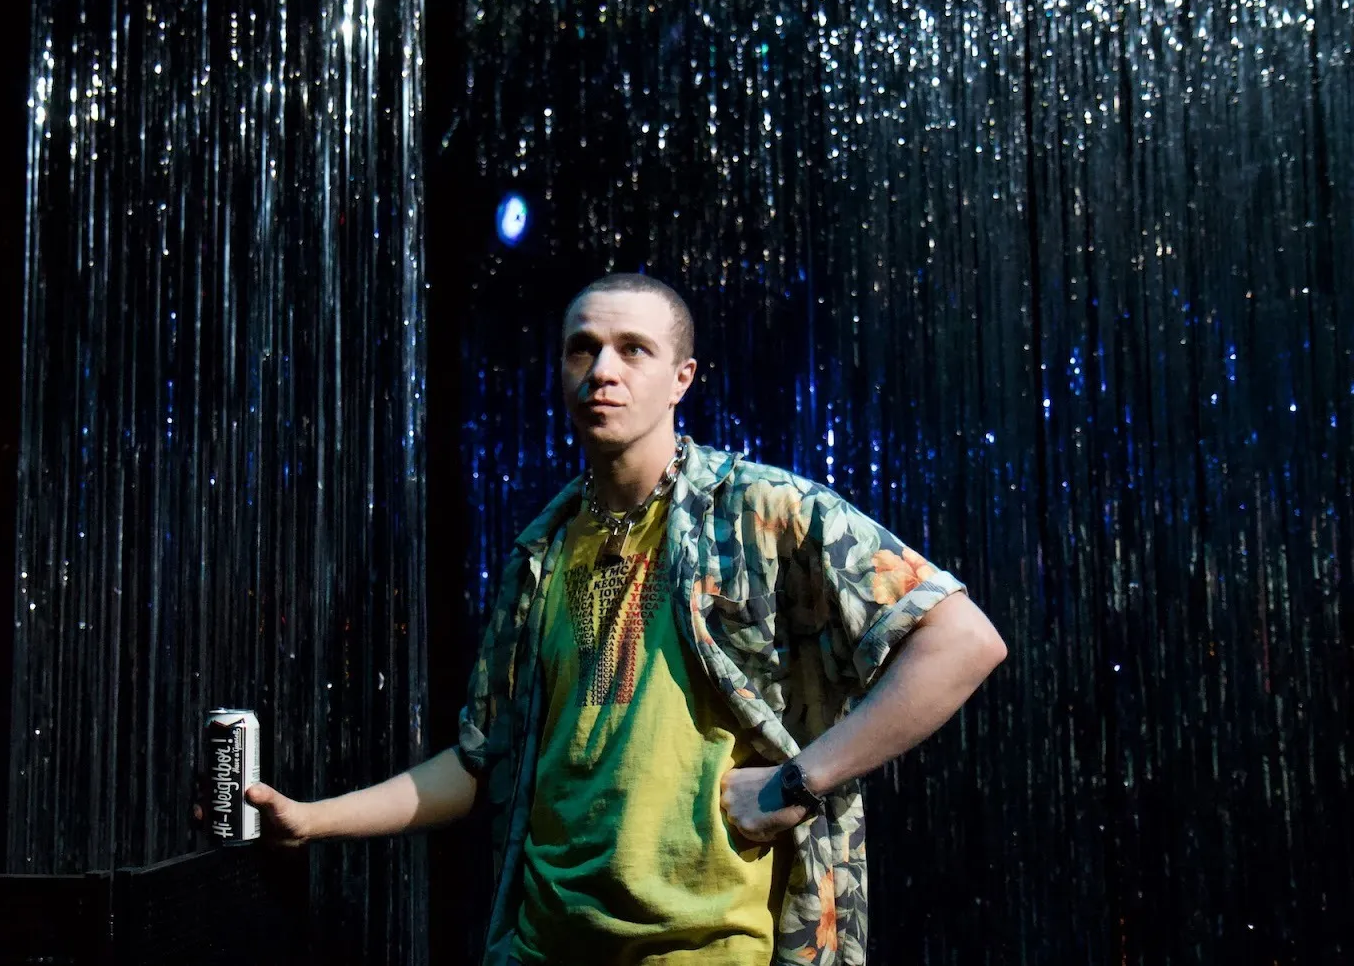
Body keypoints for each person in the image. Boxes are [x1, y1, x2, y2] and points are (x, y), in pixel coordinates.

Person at [221, 274, 1006, 965]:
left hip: (709, 947)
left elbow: (963, 642)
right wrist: (311, 821)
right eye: (582, 349)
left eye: (633, 350)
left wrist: (805, 777)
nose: (602, 370)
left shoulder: (762, 512)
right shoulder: (541, 550)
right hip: (543, 943)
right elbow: (478, 762)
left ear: (681, 379)